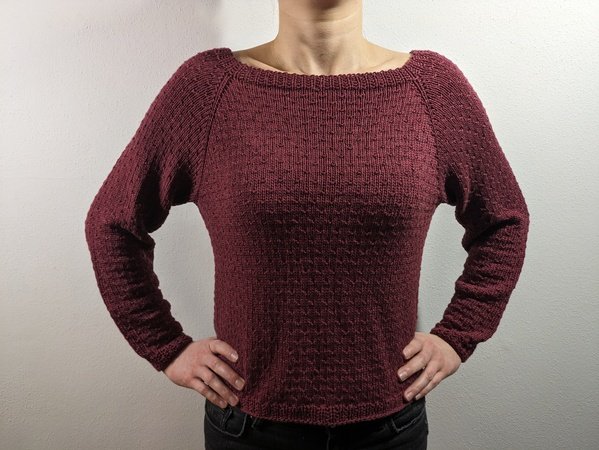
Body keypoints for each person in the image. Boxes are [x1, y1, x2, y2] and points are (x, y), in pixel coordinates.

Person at [84, 0, 530, 449]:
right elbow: (112, 223)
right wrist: (167, 348)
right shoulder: (208, 90)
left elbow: (504, 219)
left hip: (390, 428)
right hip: (248, 428)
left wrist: (456, 337)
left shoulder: (432, 90)